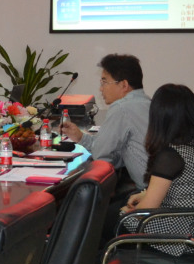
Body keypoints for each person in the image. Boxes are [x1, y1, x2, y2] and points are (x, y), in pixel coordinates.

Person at [118, 83, 194, 255]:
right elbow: (183, 187)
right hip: (191, 225)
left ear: (158, 117)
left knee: (104, 220)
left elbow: (145, 211)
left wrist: (126, 211)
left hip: (175, 236)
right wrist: (144, 195)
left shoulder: (170, 156)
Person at [60, 54, 151, 187]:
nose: (101, 88)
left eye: (104, 82)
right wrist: (81, 137)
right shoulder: (147, 103)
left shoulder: (122, 108)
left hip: (149, 192)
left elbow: (101, 153)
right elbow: (118, 152)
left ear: (124, 85)